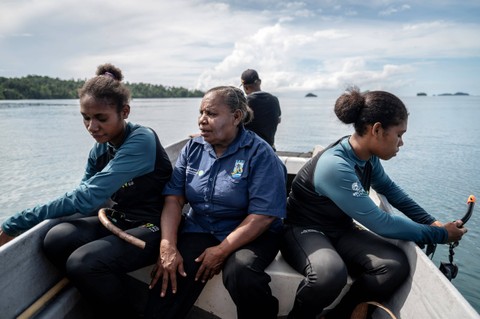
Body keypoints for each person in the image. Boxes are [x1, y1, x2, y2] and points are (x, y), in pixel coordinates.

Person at [0, 63, 173, 319]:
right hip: (120, 219)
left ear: (124, 111)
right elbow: (85, 193)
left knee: (83, 263)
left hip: (155, 225)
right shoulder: (100, 149)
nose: (92, 127)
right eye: (85, 117)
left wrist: (14, 223)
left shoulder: (141, 139)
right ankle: (108, 298)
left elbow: (87, 197)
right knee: (56, 239)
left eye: (101, 118)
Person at [280, 87, 468, 319]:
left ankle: (339, 315)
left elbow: (391, 191)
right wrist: (438, 235)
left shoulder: (366, 158)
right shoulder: (335, 165)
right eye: (399, 134)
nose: (402, 143)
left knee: (394, 265)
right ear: (377, 130)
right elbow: (382, 223)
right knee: (329, 273)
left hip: (339, 230)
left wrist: (431, 222)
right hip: (301, 231)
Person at [145, 86, 287, 319]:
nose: (202, 120)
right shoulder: (192, 148)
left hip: (253, 234)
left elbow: (262, 216)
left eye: (211, 114)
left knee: (241, 272)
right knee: (169, 273)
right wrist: (167, 245)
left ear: (236, 117)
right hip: (201, 227)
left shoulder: (260, 154)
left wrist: (222, 251)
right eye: (201, 113)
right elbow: (174, 199)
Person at [240, 69, 282, 150]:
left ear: (245, 87)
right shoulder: (274, 99)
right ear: (259, 82)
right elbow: (278, 120)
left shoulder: (244, 102)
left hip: (249, 150)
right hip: (269, 149)